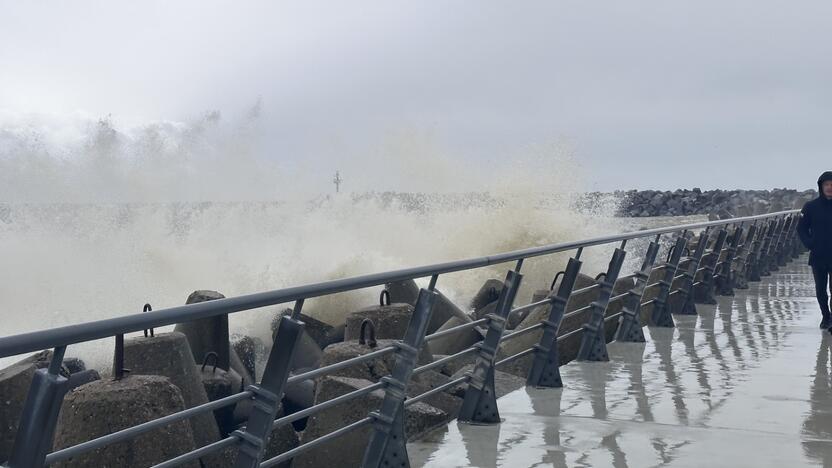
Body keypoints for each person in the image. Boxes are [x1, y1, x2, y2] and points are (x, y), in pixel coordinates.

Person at [797, 171, 832, 328]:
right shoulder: (810, 207)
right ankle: (826, 316)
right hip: (818, 255)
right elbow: (801, 229)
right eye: (826, 185)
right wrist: (810, 243)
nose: (829, 187)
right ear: (821, 187)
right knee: (820, 290)